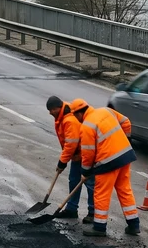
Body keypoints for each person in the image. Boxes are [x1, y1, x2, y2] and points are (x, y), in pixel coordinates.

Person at [77, 102, 140, 236]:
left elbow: (88, 153)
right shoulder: (106, 111)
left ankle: (99, 228)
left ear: (79, 113)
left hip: (107, 162)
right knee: (125, 190)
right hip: (125, 155)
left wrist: (85, 171)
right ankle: (134, 225)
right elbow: (126, 122)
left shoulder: (87, 125)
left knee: (101, 193)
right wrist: (125, 140)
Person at [46, 97, 95, 224]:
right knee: (74, 181)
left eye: (51, 110)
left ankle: (93, 212)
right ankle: (71, 209)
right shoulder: (63, 112)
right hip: (76, 155)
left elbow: (71, 144)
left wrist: (62, 162)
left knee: (90, 183)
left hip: (85, 154)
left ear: (58, 108)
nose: (50, 113)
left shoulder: (69, 120)